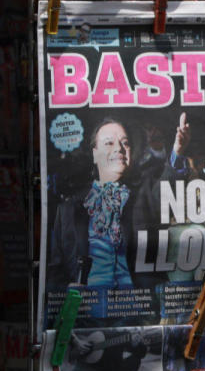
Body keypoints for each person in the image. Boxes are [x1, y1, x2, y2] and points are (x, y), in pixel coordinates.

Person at [47, 113, 191, 290]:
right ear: (95, 153)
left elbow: (165, 189)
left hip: (137, 309)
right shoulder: (69, 209)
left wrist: (178, 151)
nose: (119, 149)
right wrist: (66, 291)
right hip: (87, 311)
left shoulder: (142, 196)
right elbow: (54, 272)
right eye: (109, 143)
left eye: (125, 143)